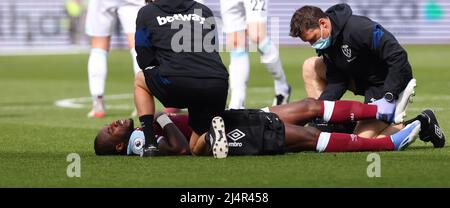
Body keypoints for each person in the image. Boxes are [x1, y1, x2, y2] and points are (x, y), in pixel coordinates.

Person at [94, 96, 434, 156]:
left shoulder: (142, 125)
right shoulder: (141, 143)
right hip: (225, 136)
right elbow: (180, 147)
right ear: (122, 146)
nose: (114, 124)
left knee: (307, 107)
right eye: (110, 132)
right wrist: (164, 118)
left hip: (230, 117)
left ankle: (384, 112)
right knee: (308, 136)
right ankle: (389, 144)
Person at [289, 4, 432, 143]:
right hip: (361, 78)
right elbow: (338, 80)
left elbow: (398, 56)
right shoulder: (328, 39)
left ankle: (422, 123)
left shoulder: (359, 29)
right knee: (310, 65)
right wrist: (320, 110)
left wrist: (389, 95)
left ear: (323, 23)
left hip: (386, 83)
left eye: (313, 39)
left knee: (360, 141)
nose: (313, 44)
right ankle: (325, 124)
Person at [133, 0, 229, 158]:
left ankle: (150, 143)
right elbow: (212, 49)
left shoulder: (147, 12)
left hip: (177, 81)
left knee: (140, 79)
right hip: (216, 83)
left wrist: (163, 71)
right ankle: (211, 136)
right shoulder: (204, 10)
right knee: (195, 147)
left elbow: (144, 56)